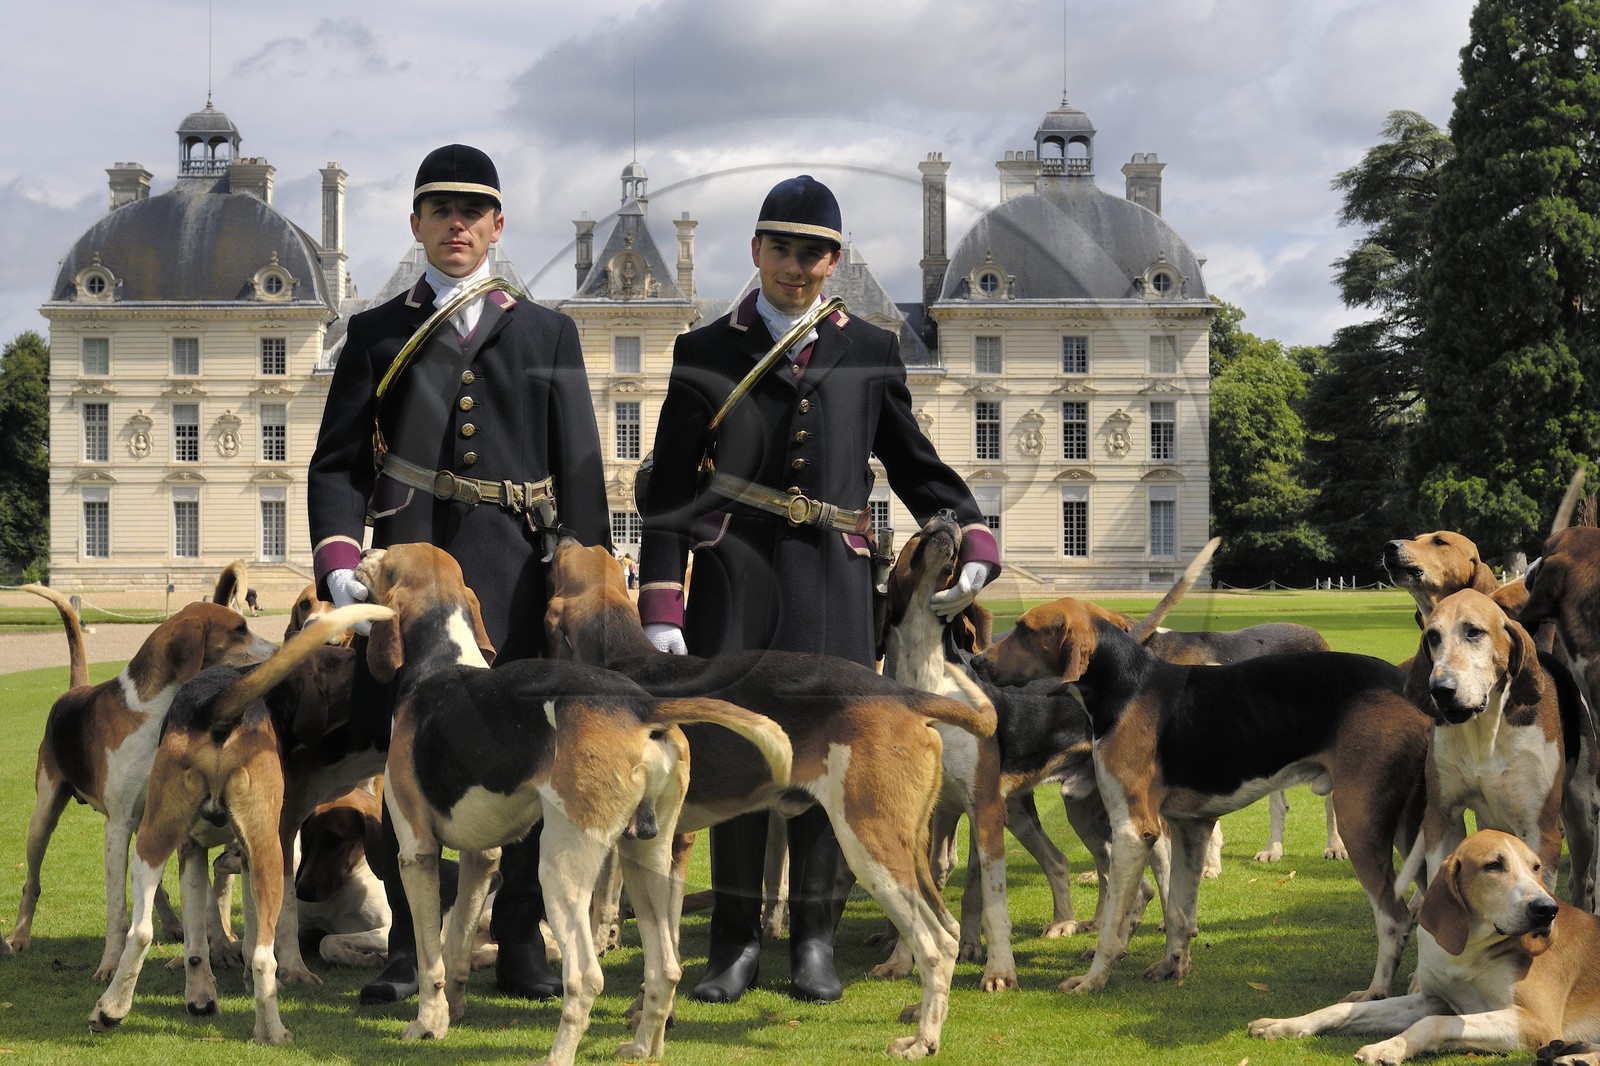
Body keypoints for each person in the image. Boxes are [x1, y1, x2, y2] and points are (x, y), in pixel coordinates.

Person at [638, 174, 999, 1004]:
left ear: (833, 261)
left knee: (835, 757)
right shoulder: (705, 351)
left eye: (814, 253)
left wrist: (968, 530)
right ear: (756, 250)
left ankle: (814, 942)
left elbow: (913, 462)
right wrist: (662, 601)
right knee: (726, 755)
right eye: (783, 249)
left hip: (836, 580)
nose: (796, 267)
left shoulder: (870, 348)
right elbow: (669, 495)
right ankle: (731, 946)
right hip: (732, 577)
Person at [306, 143, 610, 1004]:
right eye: (440, 209)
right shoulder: (375, 334)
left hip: (512, 577)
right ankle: (411, 951)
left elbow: (581, 475)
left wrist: (578, 588)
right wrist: (338, 566)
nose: (457, 224)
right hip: (405, 578)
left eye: (474, 210)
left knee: (527, 755)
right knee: (407, 765)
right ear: (415, 222)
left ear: (498, 225)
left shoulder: (547, 331)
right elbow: (335, 466)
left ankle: (519, 939)